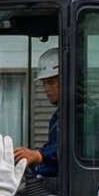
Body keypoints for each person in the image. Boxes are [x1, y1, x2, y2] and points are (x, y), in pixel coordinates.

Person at [13, 48, 61, 178]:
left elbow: (71, 152)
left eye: (51, 82)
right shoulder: (58, 117)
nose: (46, 89)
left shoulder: (84, 114)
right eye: (44, 83)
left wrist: (39, 155)